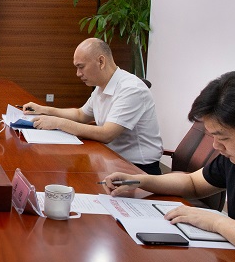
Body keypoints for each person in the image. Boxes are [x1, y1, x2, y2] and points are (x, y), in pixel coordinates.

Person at [103, 70, 235, 262]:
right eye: (213, 137)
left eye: (223, 138)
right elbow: (193, 182)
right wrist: (141, 180)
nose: (216, 146)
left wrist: (217, 222)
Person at [22, 37, 163, 174]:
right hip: (111, 159)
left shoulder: (131, 89)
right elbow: (80, 115)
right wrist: (44, 110)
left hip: (138, 169)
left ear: (101, 61)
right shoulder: (101, 86)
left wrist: (58, 123)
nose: (78, 74)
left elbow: (107, 134)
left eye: (81, 67)